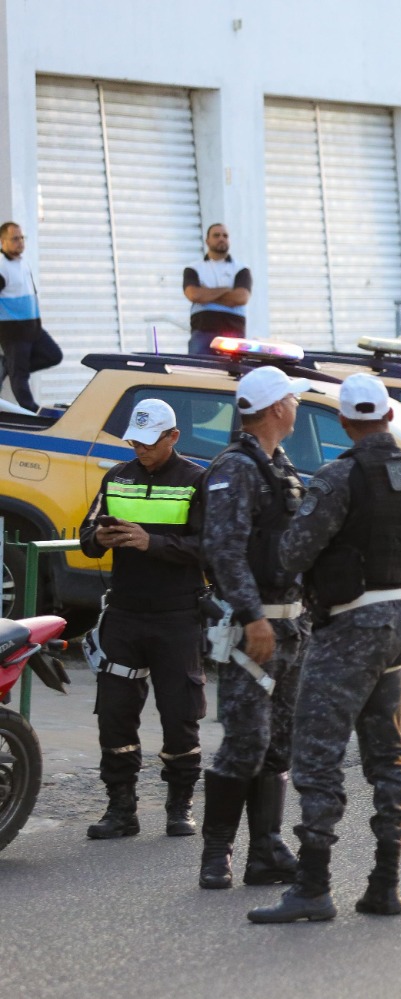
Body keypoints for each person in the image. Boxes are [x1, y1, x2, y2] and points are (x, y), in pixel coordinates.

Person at [248, 374, 401, 923]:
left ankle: (314, 887)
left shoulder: (338, 476)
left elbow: (293, 553)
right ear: (390, 416)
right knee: (387, 750)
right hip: (399, 620)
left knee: (316, 752)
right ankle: (384, 884)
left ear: (344, 421)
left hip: (347, 626)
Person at [197, 366, 311, 891]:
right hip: (253, 630)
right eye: (292, 399)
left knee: (278, 744)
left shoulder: (280, 466)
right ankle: (216, 853)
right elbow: (223, 549)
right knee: (245, 741)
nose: (297, 406)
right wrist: (251, 616)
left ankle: (265, 850)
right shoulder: (236, 468)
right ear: (273, 410)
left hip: (290, 627)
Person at [76, 399, 206, 842]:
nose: (141, 449)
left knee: (180, 713)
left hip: (178, 616)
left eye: (150, 442)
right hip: (125, 615)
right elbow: (86, 534)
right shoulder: (118, 475)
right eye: (135, 440)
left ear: (173, 437)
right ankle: (121, 808)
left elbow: (209, 547)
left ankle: (180, 806)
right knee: (114, 712)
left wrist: (153, 543)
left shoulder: (196, 480)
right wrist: (100, 537)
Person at [0, 222, 62, 412]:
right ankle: (31, 412)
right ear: (2, 242)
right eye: (15, 239)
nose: (20, 242)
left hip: (33, 329)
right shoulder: (2, 267)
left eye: (21, 238)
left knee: (53, 355)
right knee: (20, 376)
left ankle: (6, 366)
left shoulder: (21, 262)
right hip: (14, 331)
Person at [184, 223, 252, 354]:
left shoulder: (241, 269)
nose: (221, 238)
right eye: (216, 235)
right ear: (207, 240)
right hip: (202, 332)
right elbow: (194, 295)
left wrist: (206, 294)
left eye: (225, 236)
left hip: (234, 333)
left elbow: (241, 297)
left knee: (233, 373)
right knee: (198, 371)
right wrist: (227, 289)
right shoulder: (193, 268)